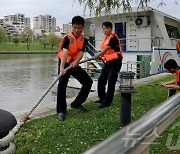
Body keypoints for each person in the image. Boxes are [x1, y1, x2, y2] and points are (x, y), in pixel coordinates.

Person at [57, 16, 93, 121]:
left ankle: (76, 104)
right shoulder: (67, 38)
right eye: (74, 27)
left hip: (74, 62)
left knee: (88, 82)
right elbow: (65, 51)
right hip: (65, 62)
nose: (77, 30)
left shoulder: (84, 38)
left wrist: (77, 61)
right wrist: (62, 67)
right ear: (72, 26)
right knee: (62, 86)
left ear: (83, 27)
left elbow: (81, 51)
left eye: (79, 28)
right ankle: (61, 111)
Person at [93, 21, 123, 109]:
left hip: (115, 63)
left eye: (106, 28)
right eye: (103, 29)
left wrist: (98, 55)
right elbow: (106, 53)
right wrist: (100, 56)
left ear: (111, 28)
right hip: (108, 63)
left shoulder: (113, 38)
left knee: (111, 82)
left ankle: (107, 102)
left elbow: (107, 48)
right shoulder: (106, 38)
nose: (104, 30)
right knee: (101, 80)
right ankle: (102, 98)